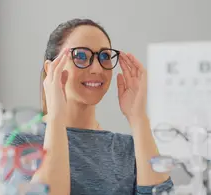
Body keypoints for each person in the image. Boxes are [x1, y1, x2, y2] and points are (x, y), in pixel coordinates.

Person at [11, 18, 174, 195]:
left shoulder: (128, 148)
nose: (97, 68)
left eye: (104, 56)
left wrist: (138, 117)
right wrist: (56, 118)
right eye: (81, 56)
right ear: (51, 69)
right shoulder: (23, 143)